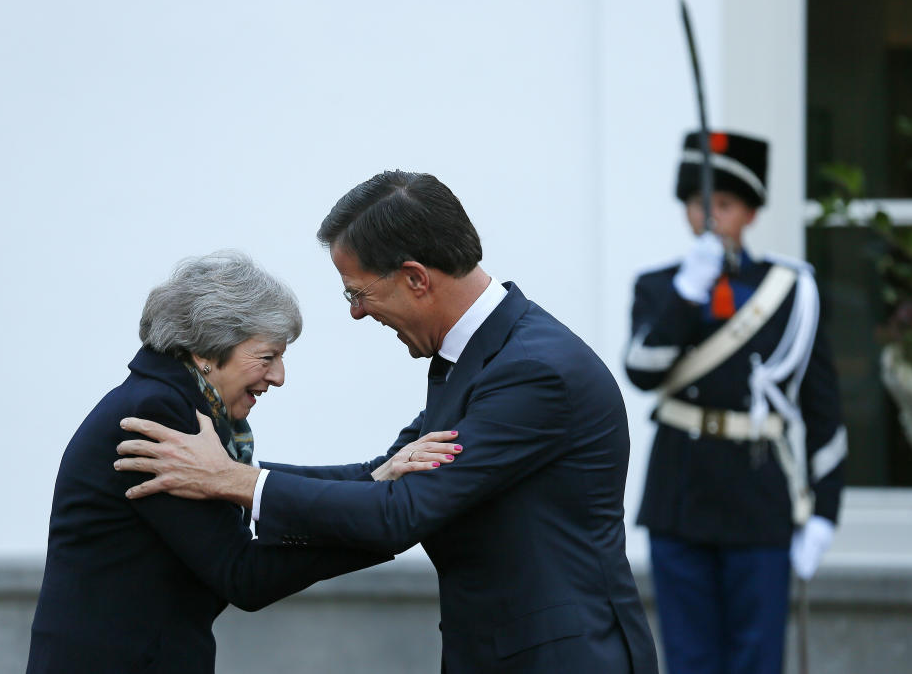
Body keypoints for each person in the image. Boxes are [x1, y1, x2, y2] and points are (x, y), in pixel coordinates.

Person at [115, 171, 659, 673]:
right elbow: (382, 475)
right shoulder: (485, 357)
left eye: (357, 292)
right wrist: (226, 473)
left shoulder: (533, 372)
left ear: (416, 278)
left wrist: (232, 481)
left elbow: (403, 512)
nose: (355, 311)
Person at [27, 251, 458, 674]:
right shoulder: (156, 413)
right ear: (206, 350)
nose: (279, 376)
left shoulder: (167, 399)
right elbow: (242, 573)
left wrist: (375, 478)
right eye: (267, 357)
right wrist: (383, 523)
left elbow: (240, 481)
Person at [623, 131, 847, 674]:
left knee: (756, 658)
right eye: (699, 204)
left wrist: (824, 514)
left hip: (759, 496)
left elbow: (824, 410)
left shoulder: (791, 291)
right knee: (690, 656)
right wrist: (686, 295)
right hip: (682, 493)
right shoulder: (659, 288)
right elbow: (642, 371)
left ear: (749, 213)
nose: (708, 217)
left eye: (723, 205)